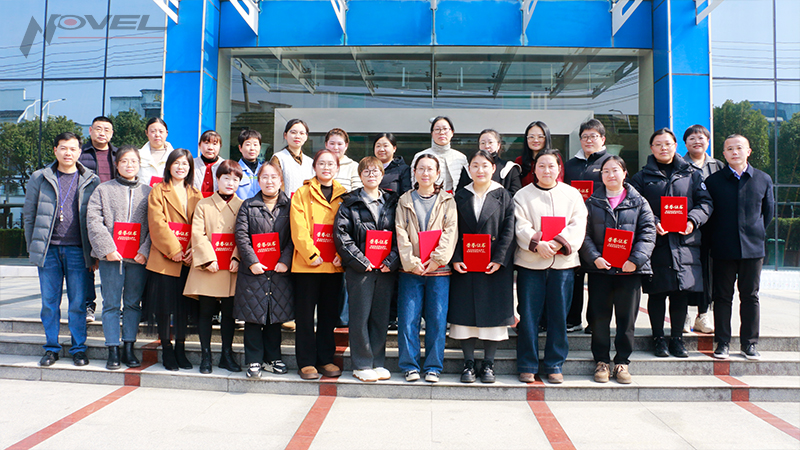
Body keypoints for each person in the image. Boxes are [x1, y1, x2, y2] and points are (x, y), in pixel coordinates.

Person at [630, 128, 713, 359]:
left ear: (676, 146)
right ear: (651, 148)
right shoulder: (641, 177)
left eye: (667, 143)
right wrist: (654, 222)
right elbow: (635, 206)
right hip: (655, 242)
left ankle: (677, 339)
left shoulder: (692, 174)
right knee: (657, 293)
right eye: (658, 144)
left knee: (680, 292)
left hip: (685, 242)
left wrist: (692, 221)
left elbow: (705, 203)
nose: (663, 148)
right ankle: (658, 339)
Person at [24, 132, 100, 367]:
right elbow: (29, 215)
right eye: (63, 148)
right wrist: (33, 248)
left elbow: (97, 219)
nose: (68, 153)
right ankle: (51, 348)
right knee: (49, 303)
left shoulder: (91, 179)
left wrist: (94, 253)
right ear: (55, 150)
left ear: (80, 152)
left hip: (78, 251)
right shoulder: (40, 177)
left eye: (73, 148)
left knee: (78, 304)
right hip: (49, 251)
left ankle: (78, 349)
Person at [580, 156, 656, 384]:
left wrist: (635, 260)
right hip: (600, 271)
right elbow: (584, 234)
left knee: (626, 320)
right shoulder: (592, 202)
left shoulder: (639, 201)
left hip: (629, 272)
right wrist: (594, 258)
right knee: (599, 318)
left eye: (615, 170)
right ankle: (601, 362)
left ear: (624, 173)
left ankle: (622, 362)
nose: (610, 175)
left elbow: (648, 233)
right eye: (605, 171)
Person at [514, 149, 587, 384]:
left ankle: (555, 364)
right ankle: (527, 364)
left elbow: (578, 224)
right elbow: (520, 225)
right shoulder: (522, 195)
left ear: (559, 169)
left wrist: (557, 243)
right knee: (528, 316)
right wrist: (538, 244)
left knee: (558, 315)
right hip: (530, 264)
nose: (547, 170)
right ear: (534, 169)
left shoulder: (572, 194)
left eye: (551, 166)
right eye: (542, 166)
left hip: (563, 264)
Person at [705, 134, 774, 360]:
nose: (735, 152)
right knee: (722, 297)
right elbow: (709, 216)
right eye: (730, 149)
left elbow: (768, 213)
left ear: (748, 151)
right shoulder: (714, 181)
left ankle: (749, 343)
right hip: (723, 248)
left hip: (753, 249)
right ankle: (722, 343)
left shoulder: (763, 179)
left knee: (750, 296)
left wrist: (754, 233)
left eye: (739, 148)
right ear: (723, 154)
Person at [450, 150, 516, 384]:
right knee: (464, 315)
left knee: (493, 316)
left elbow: (509, 229)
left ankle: (488, 363)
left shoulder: (503, 195)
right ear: (469, 169)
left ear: (493, 168)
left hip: (493, 266)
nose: (480, 170)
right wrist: (455, 257)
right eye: (475, 166)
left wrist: (499, 259)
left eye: (485, 165)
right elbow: (451, 229)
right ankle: (468, 363)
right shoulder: (459, 196)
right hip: (465, 265)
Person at [334, 156, 400, 382]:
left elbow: (401, 234)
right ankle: (361, 364)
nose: (371, 175)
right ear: (360, 175)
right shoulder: (349, 203)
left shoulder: (393, 202)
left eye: (376, 171)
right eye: (366, 171)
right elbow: (342, 236)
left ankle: (377, 362)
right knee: (360, 317)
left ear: (382, 175)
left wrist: (391, 260)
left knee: (380, 317)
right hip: (360, 269)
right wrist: (362, 261)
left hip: (385, 269)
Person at [86, 145, 151, 369]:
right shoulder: (103, 190)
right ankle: (112, 348)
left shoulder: (148, 192)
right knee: (111, 304)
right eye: (124, 161)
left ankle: (129, 347)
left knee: (133, 304)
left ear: (139, 164)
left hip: (138, 259)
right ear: (117, 164)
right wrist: (107, 249)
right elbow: (94, 220)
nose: (129, 165)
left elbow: (155, 225)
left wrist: (145, 250)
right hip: (111, 259)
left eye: (133, 161)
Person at [395, 154, 458, 383]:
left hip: (439, 271)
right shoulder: (404, 200)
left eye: (430, 169)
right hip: (411, 271)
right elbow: (400, 233)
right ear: (414, 172)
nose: (425, 173)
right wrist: (412, 262)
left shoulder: (448, 201)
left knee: (437, 320)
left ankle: (433, 367)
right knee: (408, 319)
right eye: (421, 168)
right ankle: (410, 365)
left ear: (438, 173)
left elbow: (451, 232)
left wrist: (437, 260)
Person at [233, 162, 294, 379]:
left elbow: (294, 237)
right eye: (265, 177)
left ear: (280, 180)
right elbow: (241, 235)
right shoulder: (248, 206)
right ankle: (254, 360)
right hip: (254, 271)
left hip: (279, 270)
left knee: (274, 317)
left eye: (274, 177)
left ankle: (272, 358)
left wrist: (285, 260)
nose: (269, 181)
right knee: (253, 317)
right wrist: (252, 261)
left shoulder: (290, 206)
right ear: (258, 181)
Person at [290, 149, 346, 380]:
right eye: (321, 163)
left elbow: (347, 228)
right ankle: (305, 362)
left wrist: (342, 255)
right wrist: (311, 254)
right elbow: (298, 228)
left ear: (337, 168)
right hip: (307, 265)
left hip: (334, 265)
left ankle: (325, 359)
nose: (326, 167)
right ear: (314, 167)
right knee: (304, 316)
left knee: (328, 315)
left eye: (331, 164)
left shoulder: (345, 195)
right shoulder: (302, 193)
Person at [184, 160, 244, 374]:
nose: (230, 183)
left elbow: (244, 235)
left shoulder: (243, 206)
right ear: (217, 179)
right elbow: (197, 233)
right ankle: (206, 355)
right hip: (208, 266)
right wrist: (208, 259)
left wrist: (237, 257)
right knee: (206, 311)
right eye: (226, 178)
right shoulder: (204, 204)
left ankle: (227, 354)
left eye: (235, 179)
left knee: (229, 313)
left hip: (231, 267)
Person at [145, 148, 202, 371]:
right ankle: (167, 348)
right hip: (165, 257)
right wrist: (174, 250)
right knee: (164, 307)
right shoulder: (158, 191)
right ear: (169, 166)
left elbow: (200, 225)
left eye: (185, 164)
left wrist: (192, 250)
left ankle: (180, 347)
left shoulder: (196, 194)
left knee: (182, 308)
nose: (181, 167)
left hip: (188, 259)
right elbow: (157, 223)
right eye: (177, 163)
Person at [563, 118, 613, 334]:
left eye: (593, 136)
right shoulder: (570, 166)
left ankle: (595, 322)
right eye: (585, 137)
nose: (589, 140)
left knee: (598, 279)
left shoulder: (611, 163)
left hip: (599, 227)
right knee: (574, 274)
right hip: (573, 227)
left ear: (603, 139)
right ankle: (573, 319)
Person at [682, 124, 725, 334]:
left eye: (701, 138)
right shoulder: (679, 165)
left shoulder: (718, 166)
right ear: (685, 143)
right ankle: (682, 315)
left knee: (708, 273)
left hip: (711, 229)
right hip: (684, 227)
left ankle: (703, 315)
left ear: (708, 141)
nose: (696, 141)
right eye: (691, 138)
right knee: (684, 270)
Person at [78, 116, 117, 323]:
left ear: (112, 133)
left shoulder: (118, 155)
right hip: (87, 214)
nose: (102, 133)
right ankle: (88, 305)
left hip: (114, 216)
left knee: (113, 261)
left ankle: (113, 305)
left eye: (107, 130)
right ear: (90, 130)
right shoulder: (80, 154)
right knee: (88, 263)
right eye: (98, 129)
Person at [373, 132, 410, 331]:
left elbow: (405, 195)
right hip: (372, 227)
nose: (382, 149)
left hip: (394, 224)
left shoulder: (403, 170)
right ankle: (377, 315)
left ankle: (392, 315)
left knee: (392, 270)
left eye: (386, 145)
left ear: (394, 148)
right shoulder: (369, 167)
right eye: (378, 145)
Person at [410, 116, 468, 193]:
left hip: (455, 198)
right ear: (432, 133)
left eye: (445, 129)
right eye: (437, 129)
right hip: (428, 197)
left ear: (452, 132)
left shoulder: (461, 157)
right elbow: (414, 183)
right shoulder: (420, 156)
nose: (442, 132)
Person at [456, 129, 522, 195]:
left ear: (498, 145)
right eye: (483, 143)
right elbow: (460, 194)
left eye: (490, 142)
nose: (486, 146)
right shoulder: (469, 169)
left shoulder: (510, 168)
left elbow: (516, 195)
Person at [271, 119, 314, 195]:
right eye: (293, 132)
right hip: (285, 202)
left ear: (306, 137)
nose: (297, 136)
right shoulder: (278, 158)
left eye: (302, 133)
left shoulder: (310, 162)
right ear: (285, 135)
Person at [516, 121, 556, 187]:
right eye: (531, 137)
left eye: (540, 137)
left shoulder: (554, 159)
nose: (536, 140)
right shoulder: (519, 161)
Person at [139, 117, 174, 187]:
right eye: (153, 131)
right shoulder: (137, 155)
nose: (157, 135)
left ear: (166, 133)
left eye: (161, 131)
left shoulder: (175, 157)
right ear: (146, 133)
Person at [326, 128, 362, 192]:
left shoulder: (354, 166)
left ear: (346, 145)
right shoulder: (318, 165)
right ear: (326, 144)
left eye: (339, 144)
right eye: (332, 143)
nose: (335, 147)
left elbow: (357, 192)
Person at [192, 130, 225, 198]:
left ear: (220, 146)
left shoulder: (225, 165)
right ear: (199, 145)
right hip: (194, 202)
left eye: (214, 144)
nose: (210, 147)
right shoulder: (191, 164)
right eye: (206, 143)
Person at [235, 128, 264, 200]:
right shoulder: (234, 170)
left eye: (255, 144)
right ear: (240, 148)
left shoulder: (264, 170)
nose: (252, 148)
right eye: (248, 144)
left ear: (260, 147)